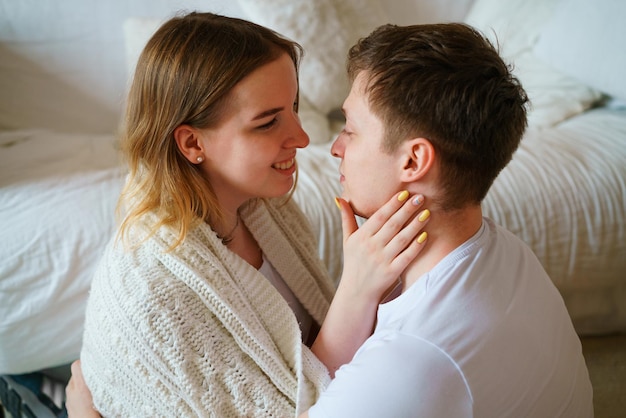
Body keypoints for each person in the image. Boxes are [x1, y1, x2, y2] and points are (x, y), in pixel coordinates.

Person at [69, 12, 430, 418]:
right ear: (191, 143)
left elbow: (309, 361)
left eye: (293, 107)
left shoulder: (264, 208)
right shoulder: (153, 290)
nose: (303, 138)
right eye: (268, 122)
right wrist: (358, 291)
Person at [301, 23, 593, 417]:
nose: (336, 147)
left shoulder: (412, 362)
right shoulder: (508, 252)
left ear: (413, 160)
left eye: (350, 129)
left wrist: (352, 293)